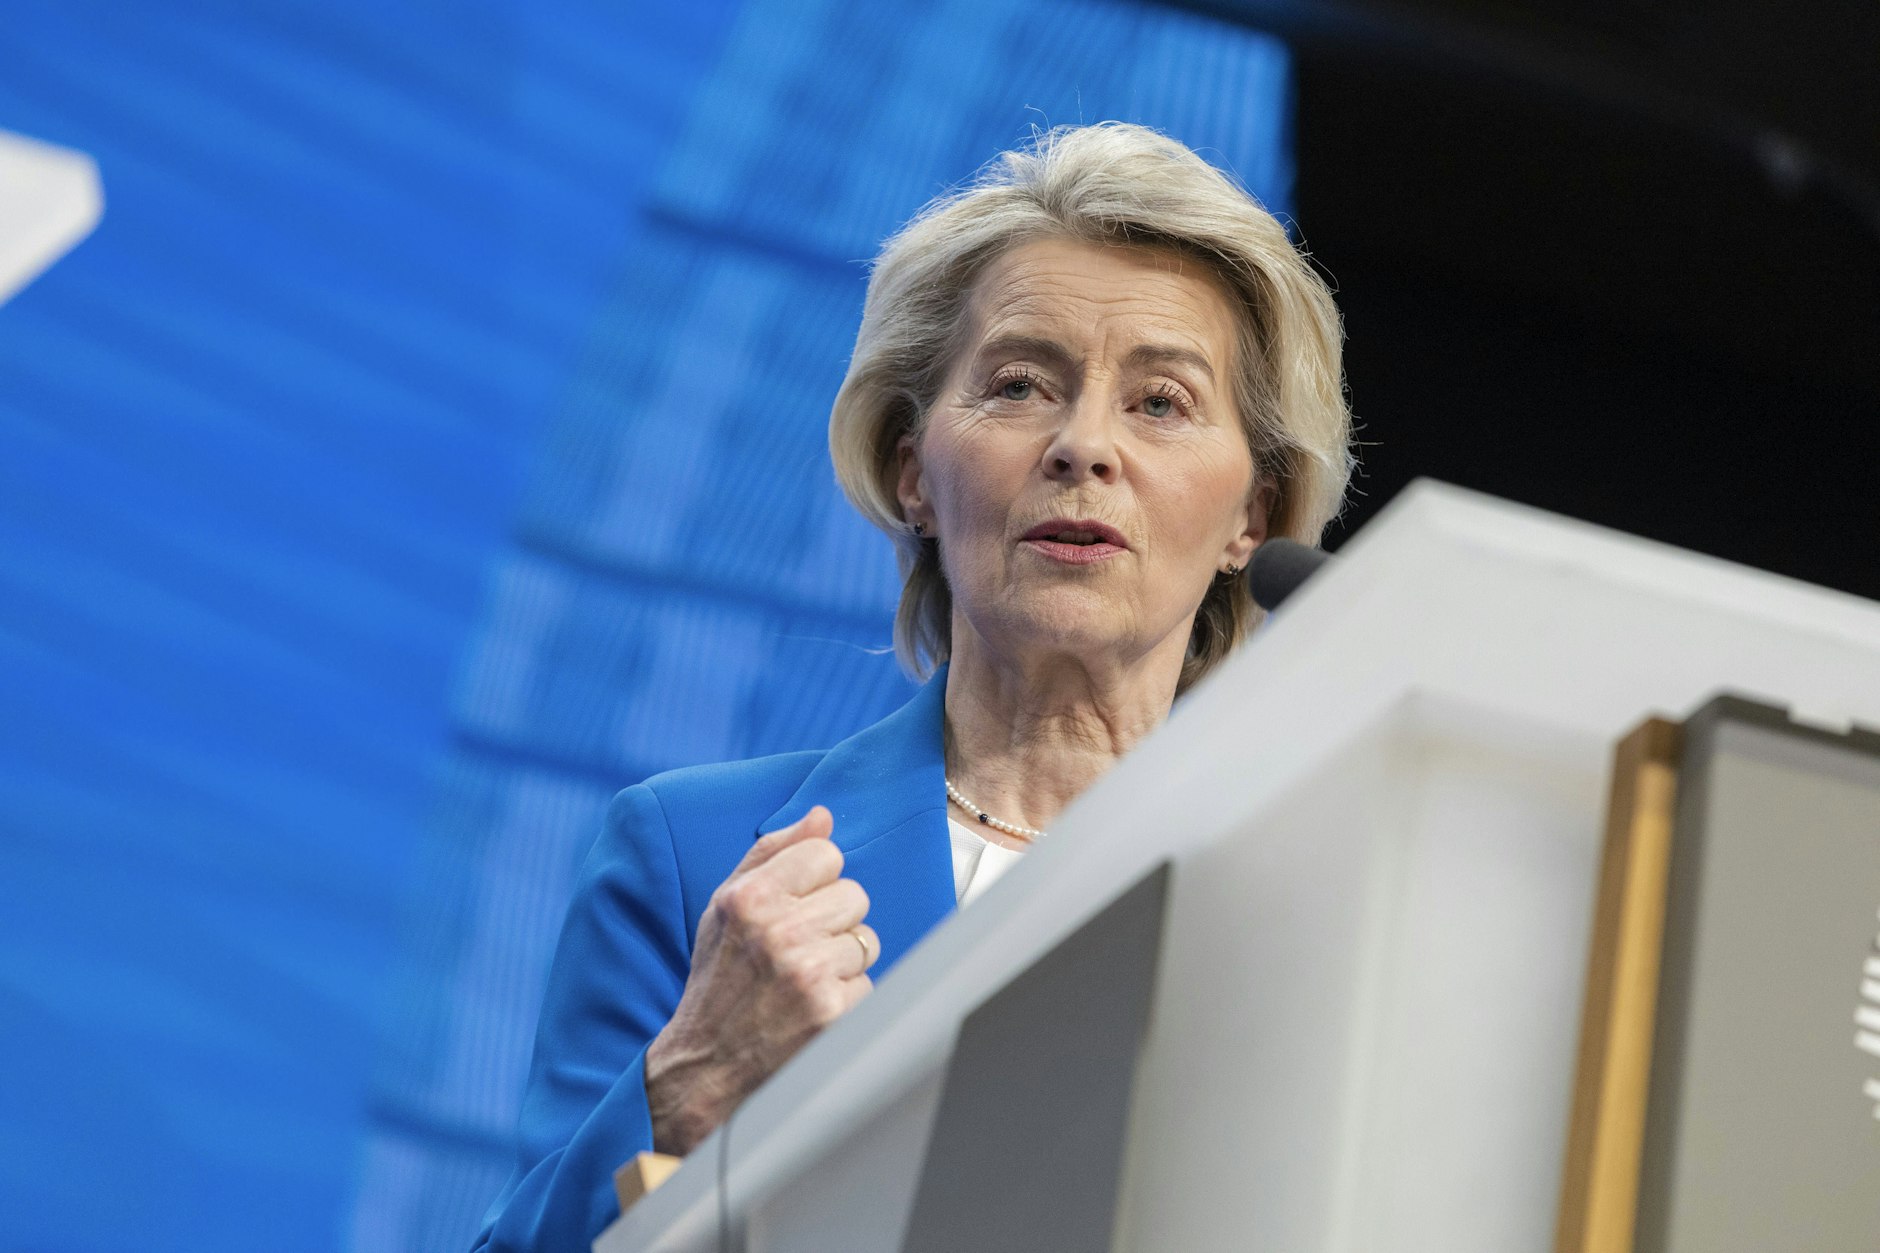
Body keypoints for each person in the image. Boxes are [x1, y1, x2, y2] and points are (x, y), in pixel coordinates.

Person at [472, 120, 1353, 1249]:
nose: (1083, 446)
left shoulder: (1318, 872)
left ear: (1253, 515)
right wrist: (689, 1086)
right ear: (912, 473)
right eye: (1021, 384)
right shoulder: (698, 859)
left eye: (1159, 402)